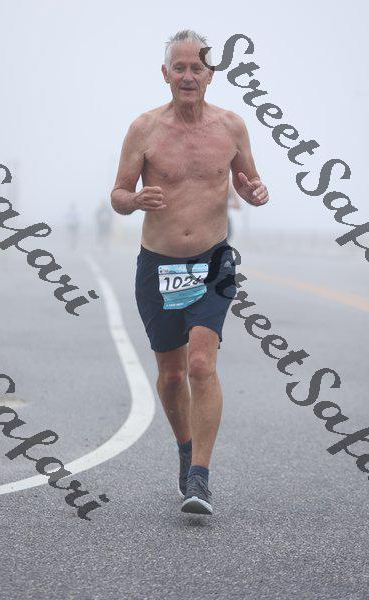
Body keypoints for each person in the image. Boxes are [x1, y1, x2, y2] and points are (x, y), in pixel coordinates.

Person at [111, 29, 269, 515]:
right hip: (158, 264)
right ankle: (185, 448)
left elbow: (249, 183)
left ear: (210, 74)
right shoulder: (144, 129)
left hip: (212, 261)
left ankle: (199, 477)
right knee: (172, 374)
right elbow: (117, 195)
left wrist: (255, 193)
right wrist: (135, 199)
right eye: (178, 67)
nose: (187, 76)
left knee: (201, 363)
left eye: (196, 68)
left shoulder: (232, 127)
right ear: (165, 74)